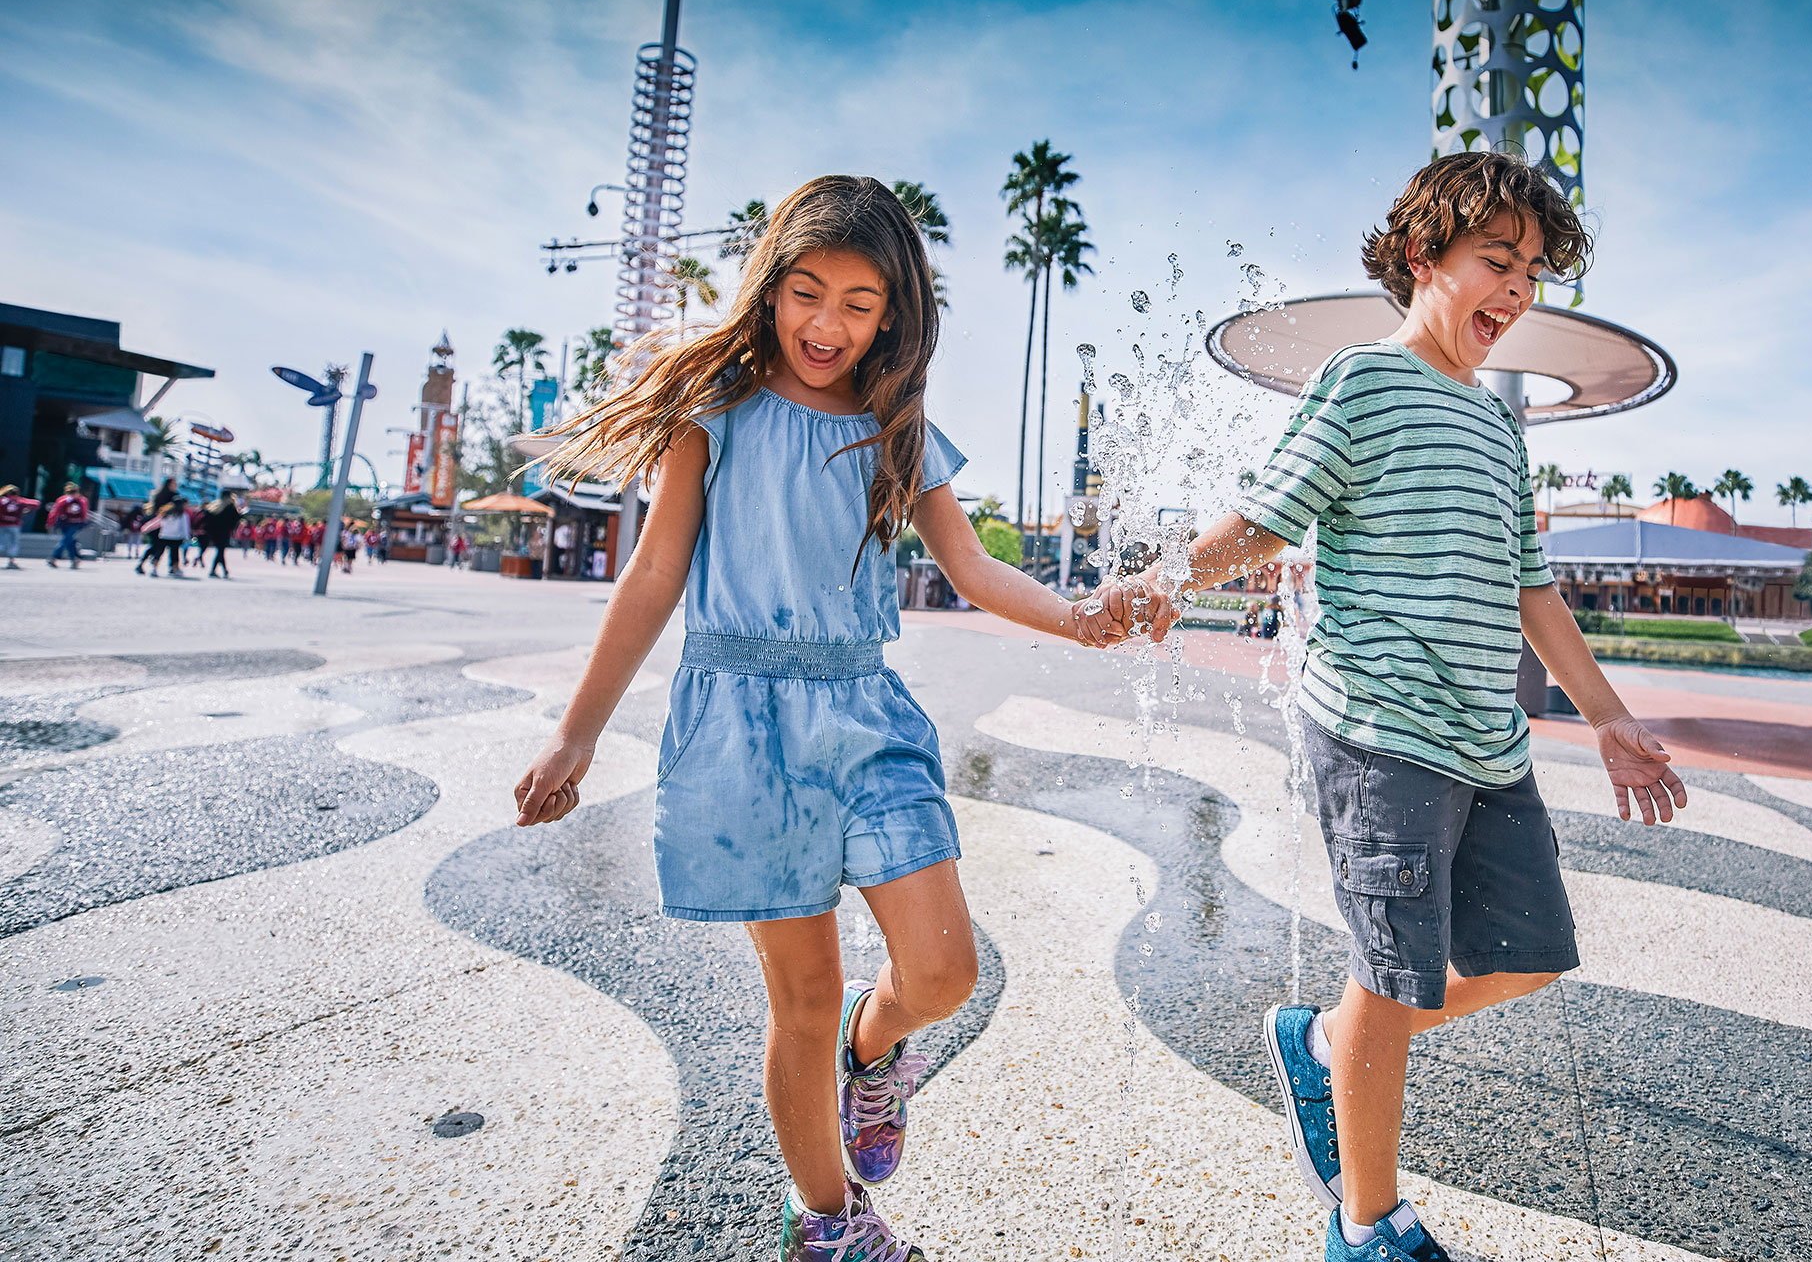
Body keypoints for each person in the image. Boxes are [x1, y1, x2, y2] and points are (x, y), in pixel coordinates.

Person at [1084, 151, 1688, 1262]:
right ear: (1422, 257)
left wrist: (1604, 714)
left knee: (1528, 954)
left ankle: (1324, 1042)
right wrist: (1164, 584)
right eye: (1494, 261)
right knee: (1390, 973)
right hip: (1376, 730)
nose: (1514, 290)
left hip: (1483, 740)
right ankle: (1365, 1221)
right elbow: (1268, 517)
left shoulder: (1496, 426)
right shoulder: (1364, 379)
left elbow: (1528, 585)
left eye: (1531, 272)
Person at [511, 176, 1099, 1261]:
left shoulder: (896, 425)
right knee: (803, 992)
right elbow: (651, 575)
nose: (826, 324)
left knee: (942, 969)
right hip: (739, 723)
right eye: (806, 290)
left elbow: (970, 567)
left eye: (859, 301)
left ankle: (871, 1058)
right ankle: (826, 1219)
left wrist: (1081, 618)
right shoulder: (713, 410)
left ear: (893, 313)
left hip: (864, 711)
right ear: (771, 285)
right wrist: (576, 730)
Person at [139, 498, 191, 576]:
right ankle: (174, 569)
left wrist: (145, 528)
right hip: (176, 537)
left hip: (164, 535)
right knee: (174, 554)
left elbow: (156, 522)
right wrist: (187, 538)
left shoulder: (166, 513)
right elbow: (185, 528)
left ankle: (154, 569)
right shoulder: (183, 515)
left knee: (159, 553)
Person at [47, 483, 91, 568]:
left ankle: (54, 558)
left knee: (67, 539)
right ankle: (74, 559)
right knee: (69, 541)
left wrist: (50, 522)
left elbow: (54, 512)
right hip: (72, 523)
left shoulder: (63, 500)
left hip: (68, 523)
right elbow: (84, 512)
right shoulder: (81, 500)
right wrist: (84, 521)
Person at [0, 485, 41, 569]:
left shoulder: (2, 500)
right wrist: (26, 509)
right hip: (14, 525)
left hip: (2, 524)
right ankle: (11, 561)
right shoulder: (19, 500)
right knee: (14, 543)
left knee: (1, 542)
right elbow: (36, 503)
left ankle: (3, 549)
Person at [203, 493, 243, 578]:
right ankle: (220, 570)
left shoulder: (215, 505)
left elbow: (206, 517)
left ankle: (220, 570)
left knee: (220, 550)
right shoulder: (230, 507)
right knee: (221, 551)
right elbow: (234, 519)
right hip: (224, 532)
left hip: (213, 532)